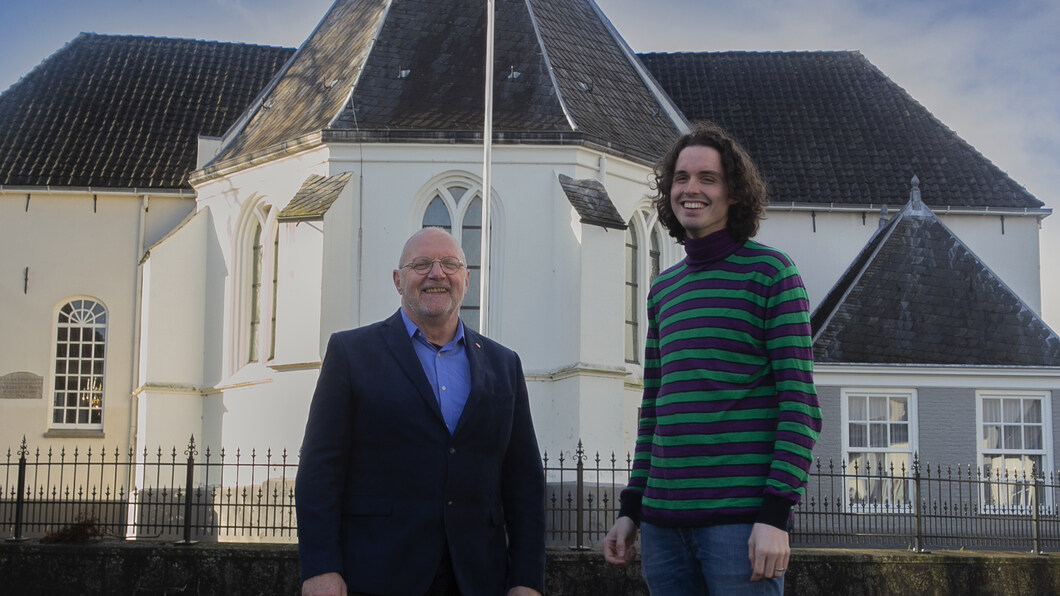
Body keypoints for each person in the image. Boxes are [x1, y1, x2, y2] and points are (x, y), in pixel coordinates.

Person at [603, 122, 822, 595]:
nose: (691, 189)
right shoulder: (664, 290)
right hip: (662, 529)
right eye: (681, 178)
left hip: (740, 528)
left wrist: (774, 516)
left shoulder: (771, 274)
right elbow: (654, 412)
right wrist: (631, 510)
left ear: (734, 193)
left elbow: (800, 407)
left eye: (707, 178)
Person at [296, 227, 545, 596]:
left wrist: (527, 581)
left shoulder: (504, 364)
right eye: (422, 264)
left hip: (478, 578)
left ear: (466, 278)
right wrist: (320, 569)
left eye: (449, 264)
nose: (437, 273)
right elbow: (320, 471)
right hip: (377, 573)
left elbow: (524, 482)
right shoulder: (351, 354)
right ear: (398, 280)